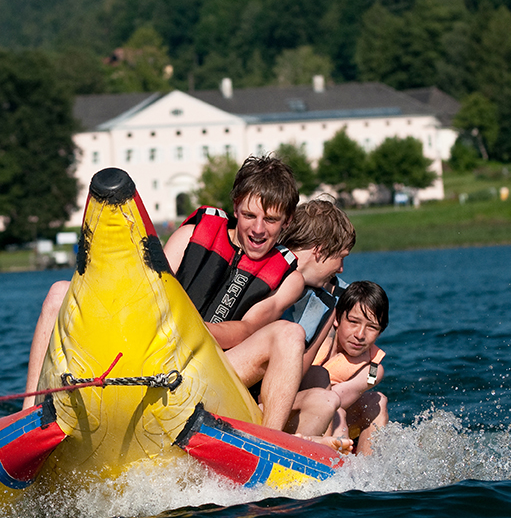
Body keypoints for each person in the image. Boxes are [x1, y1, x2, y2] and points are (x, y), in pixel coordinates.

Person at [23, 155, 306, 431]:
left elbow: (247, 329)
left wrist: (192, 330)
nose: (258, 229)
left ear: (287, 221)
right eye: (249, 215)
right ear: (235, 207)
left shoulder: (288, 278)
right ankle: (27, 417)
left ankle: (271, 443)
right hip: (157, 350)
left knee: (289, 334)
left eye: (271, 220)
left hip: (217, 369)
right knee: (60, 291)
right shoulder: (193, 234)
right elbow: (149, 290)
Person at [272, 199, 357, 445]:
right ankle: (287, 445)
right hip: (245, 386)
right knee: (325, 399)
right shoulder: (268, 274)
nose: (341, 269)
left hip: (274, 390)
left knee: (320, 378)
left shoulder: (330, 296)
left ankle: (311, 444)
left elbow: (302, 369)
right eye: (340, 257)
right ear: (319, 251)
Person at [313, 280, 390, 455]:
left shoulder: (373, 371)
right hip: (298, 406)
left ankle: (364, 471)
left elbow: (335, 399)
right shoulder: (316, 334)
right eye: (354, 322)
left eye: (372, 327)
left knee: (377, 401)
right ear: (337, 318)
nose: (360, 335)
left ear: (380, 331)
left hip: (333, 415)